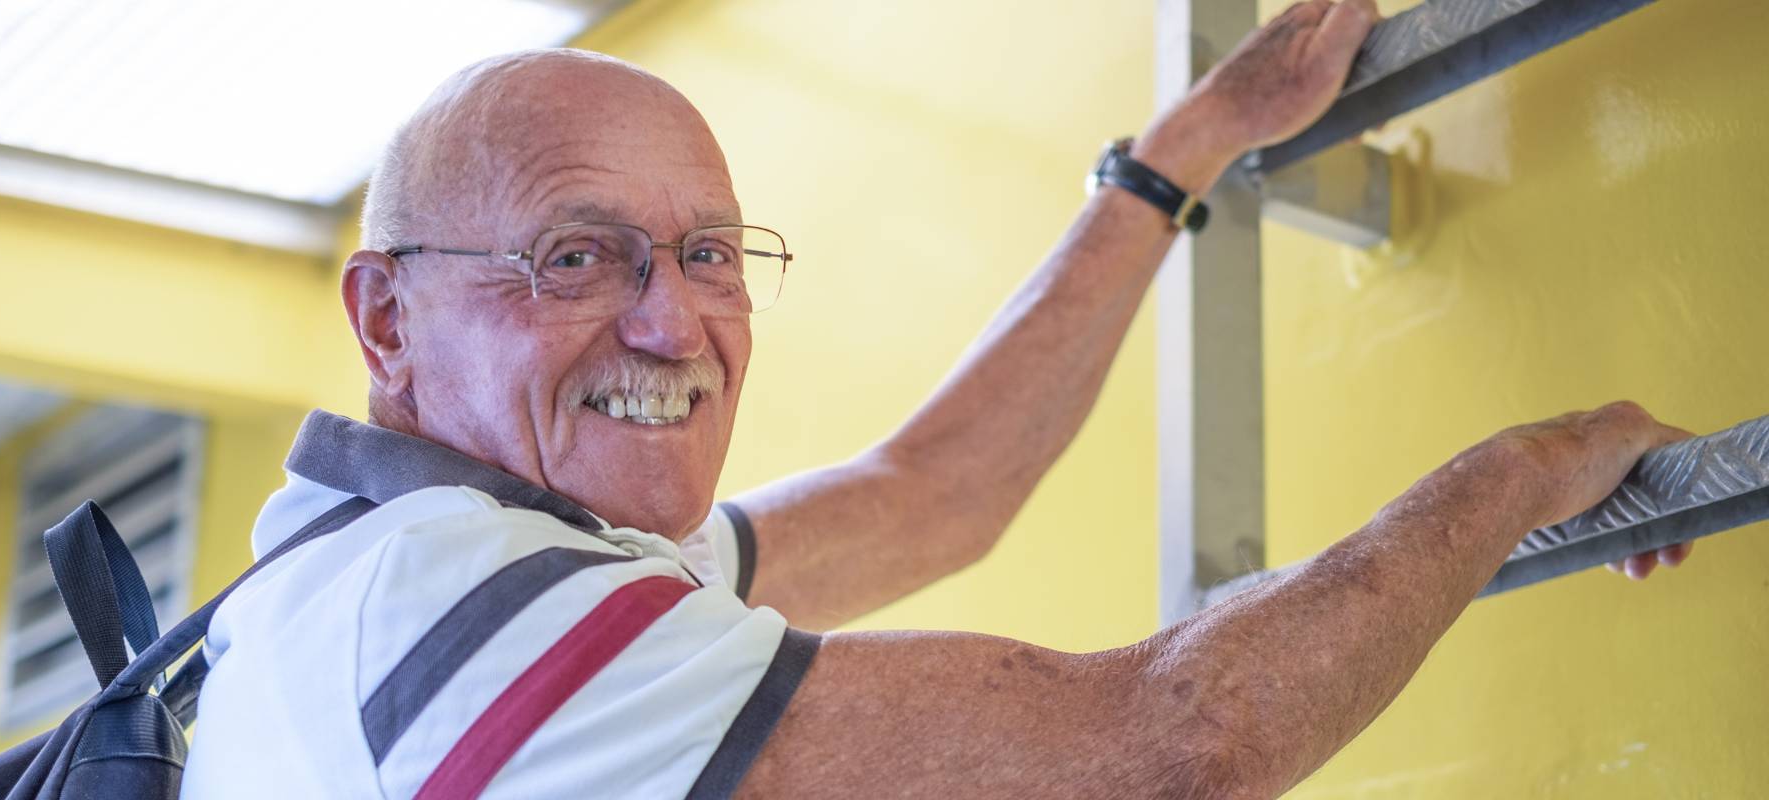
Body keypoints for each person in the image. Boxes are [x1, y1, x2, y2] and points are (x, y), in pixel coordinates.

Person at [180, 1, 1692, 796]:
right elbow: (1177, 750)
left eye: (710, 252)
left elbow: (938, 493)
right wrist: (1531, 466)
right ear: (388, 315)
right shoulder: (458, 609)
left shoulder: (399, 573)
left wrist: (1179, 155)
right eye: (578, 257)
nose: (672, 320)